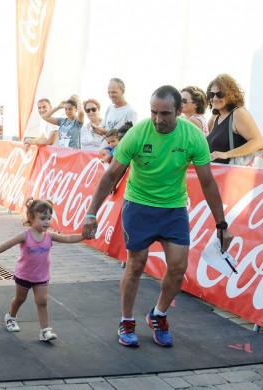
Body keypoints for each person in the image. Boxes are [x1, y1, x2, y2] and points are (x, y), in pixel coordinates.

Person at [82, 85, 233, 348]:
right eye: (154, 112)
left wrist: (222, 225)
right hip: (139, 206)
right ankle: (127, 320)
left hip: (173, 209)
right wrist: (91, 213)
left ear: (179, 111)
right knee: (136, 264)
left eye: (165, 113)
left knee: (178, 267)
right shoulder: (139, 132)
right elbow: (111, 174)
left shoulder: (192, 135)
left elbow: (208, 182)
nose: (158, 119)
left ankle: (159, 314)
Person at [0, 198, 83, 342]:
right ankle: (11, 317)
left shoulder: (50, 236)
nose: (47, 222)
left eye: (49, 218)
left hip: (41, 276)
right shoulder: (25, 235)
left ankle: (45, 330)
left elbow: (67, 238)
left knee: (42, 301)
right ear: (31, 218)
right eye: (43, 218)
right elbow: (7, 244)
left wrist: (84, 236)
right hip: (24, 275)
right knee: (20, 299)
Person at [206, 74, 263, 165]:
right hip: (219, 174)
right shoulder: (217, 117)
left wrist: (227, 154)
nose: (214, 98)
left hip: (234, 174)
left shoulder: (238, 113)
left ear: (230, 95)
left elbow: (258, 142)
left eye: (220, 94)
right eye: (211, 95)